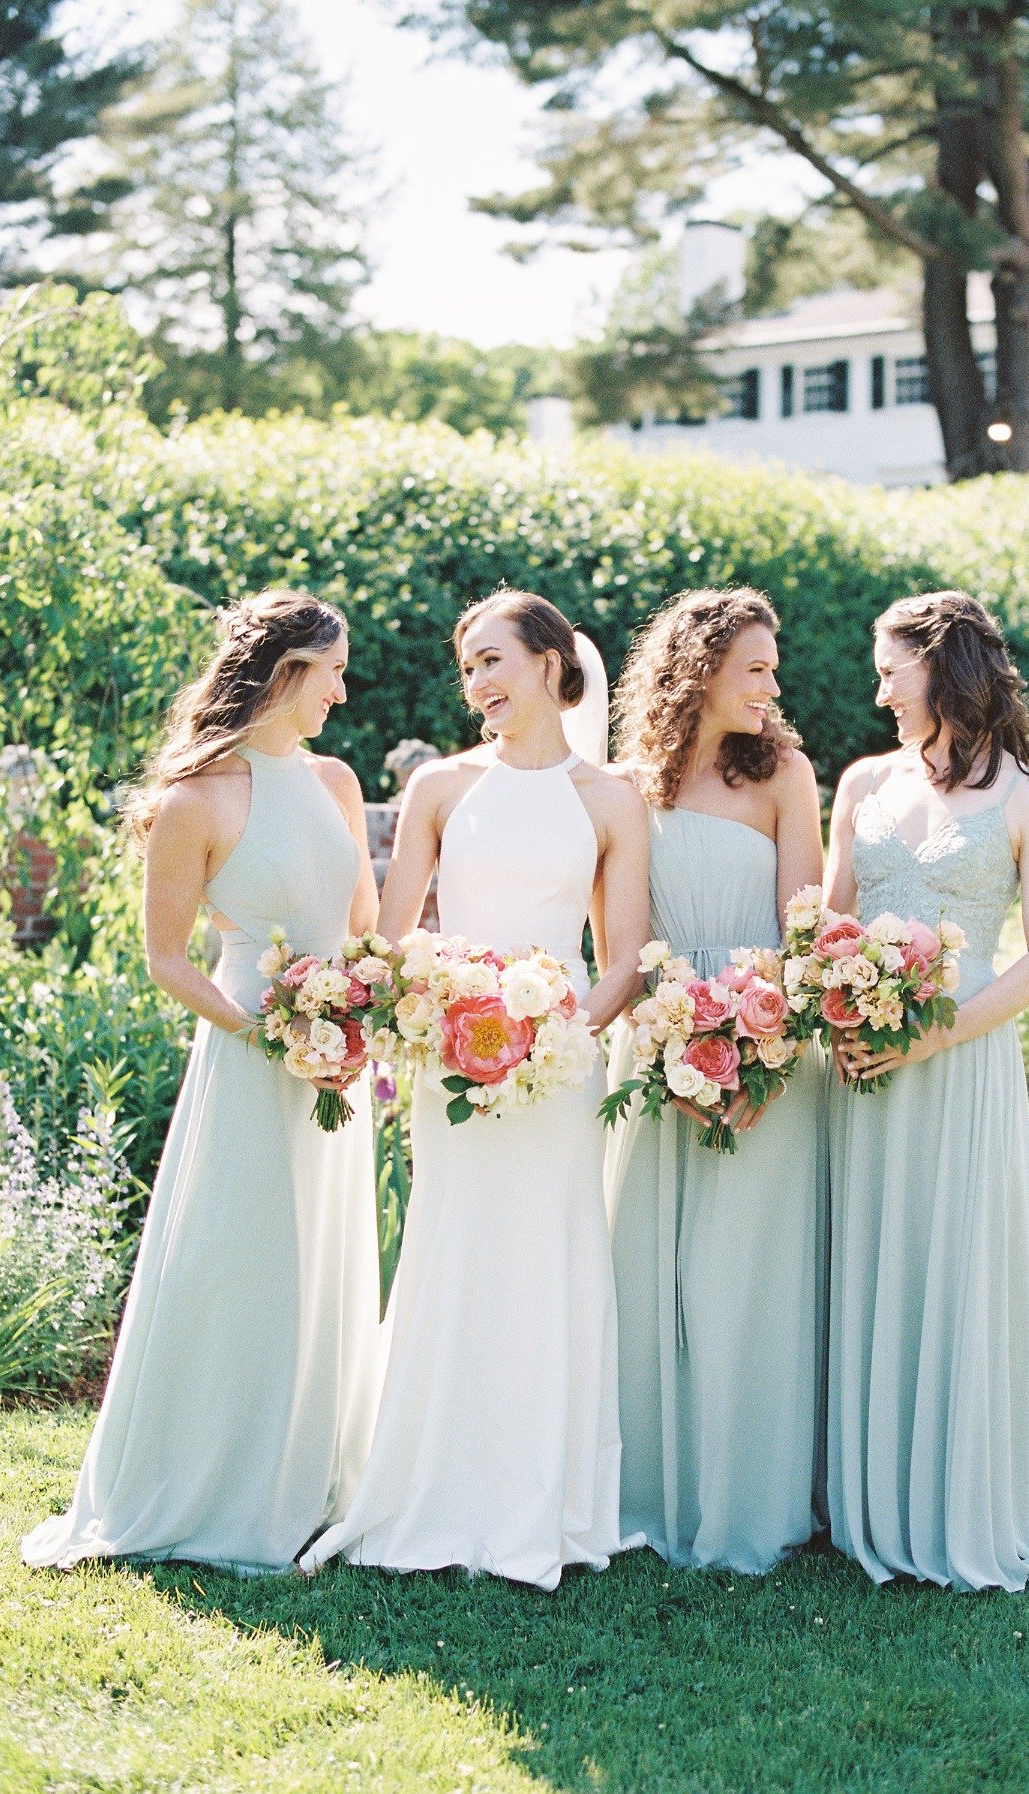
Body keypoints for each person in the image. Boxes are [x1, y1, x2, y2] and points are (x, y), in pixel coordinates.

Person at [23, 590, 383, 1575]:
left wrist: (357, 1013)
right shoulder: (195, 799)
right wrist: (271, 1031)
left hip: (334, 1062)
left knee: (322, 1265)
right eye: (334, 673)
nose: (344, 694)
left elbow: (363, 930)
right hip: (248, 1056)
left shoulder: (339, 782)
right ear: (286, 673)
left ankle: (309, 1480)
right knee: (241, 1267)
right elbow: (168, 959)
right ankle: (211, 1483)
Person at [301, 590, 650, 1590]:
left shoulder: (610, 798)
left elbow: (623, 956)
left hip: (556, 1066)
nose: (479, 683)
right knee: (456, 1248)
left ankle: (548, 1498)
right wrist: (446, 1012)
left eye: (495, 660)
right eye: (469, 668)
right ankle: (432, 1485)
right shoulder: (444, 789)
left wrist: (554, 1034)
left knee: (550, 1253)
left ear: (549, 662)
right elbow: (395, 934)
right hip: (451, 1059)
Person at [824, 588, 1029, 1592]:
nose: (878, 686)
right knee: (863, 1258)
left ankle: (951, 1494)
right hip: (860, 1063)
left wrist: (933, 1038)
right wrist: (832, 1003)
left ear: (940, 667)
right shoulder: (862, 782)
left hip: (962, 1060)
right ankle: (857, 1492)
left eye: (890, 667)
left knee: (953, 1262)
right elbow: (829, 928)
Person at [602, 588, 829, 1573]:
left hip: (763, 1040)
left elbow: (806, 930)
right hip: (655, 1042)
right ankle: (647, 1490)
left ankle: (748, 1499)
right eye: (756, 669)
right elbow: (621, 933)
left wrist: (763, 1049)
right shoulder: (628, 784)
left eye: (772, 669)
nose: (773, 687)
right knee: (648, 1267)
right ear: (697, 670)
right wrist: (663, 1038)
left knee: (746, 1274)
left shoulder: (784, 773)